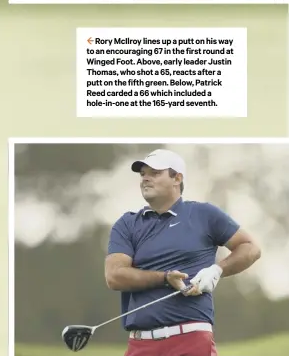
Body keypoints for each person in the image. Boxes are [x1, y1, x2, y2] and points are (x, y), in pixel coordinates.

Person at [105, 148, 261, 356]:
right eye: (143, 174)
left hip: (191, 341)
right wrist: (165, 278)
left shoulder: (202, 214)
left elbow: (250, 248)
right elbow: (115, 276)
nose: (145, 179)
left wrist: (216, 270)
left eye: (155, 173)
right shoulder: (127, 224)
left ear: (177, 178)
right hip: (141, 345)